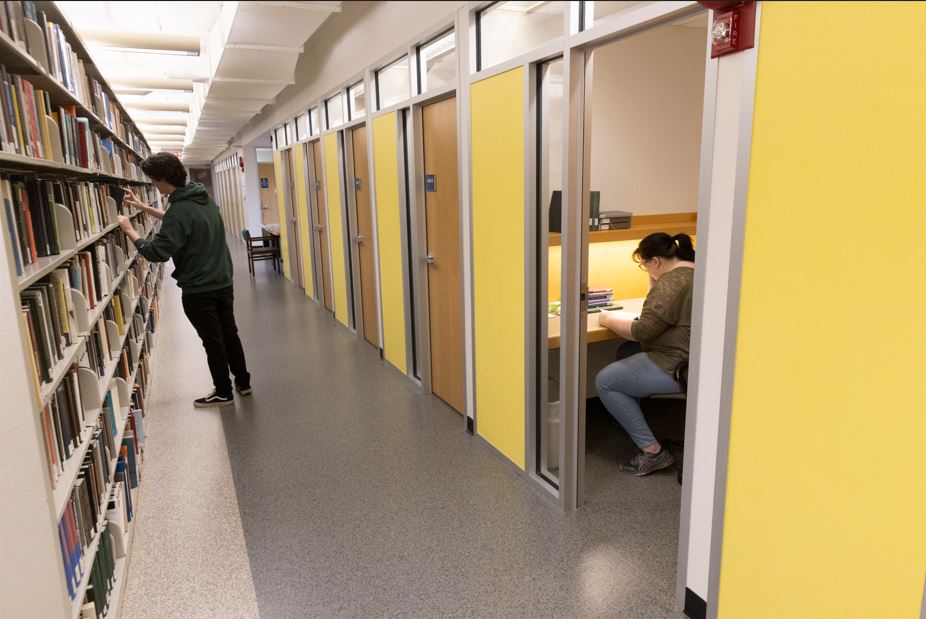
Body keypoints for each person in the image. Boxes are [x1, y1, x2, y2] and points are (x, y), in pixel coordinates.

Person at [117, 152, 251, 408]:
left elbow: (157, 252)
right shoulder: (201, 198)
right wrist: (144, 208)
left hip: (200, 288)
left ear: (164, 180)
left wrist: (130, 230)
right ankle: (243, 383)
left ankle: (223, 392)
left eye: (154, 181)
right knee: (229, 333)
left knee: (213, 340)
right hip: (222, 280)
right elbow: (181, 221)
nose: (154, 186)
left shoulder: (179, 210)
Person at [595, 232, 695, 476]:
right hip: (696, 357)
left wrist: (607, 318)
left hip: (679, 363)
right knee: (625, 352)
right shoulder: (694, 271)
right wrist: (655, 282)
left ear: (656, 262)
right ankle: (630, 418)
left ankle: (653, 452)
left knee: (606, 382)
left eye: (644, 265)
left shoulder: (672, 283)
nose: (645, 269)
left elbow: (641, 331)